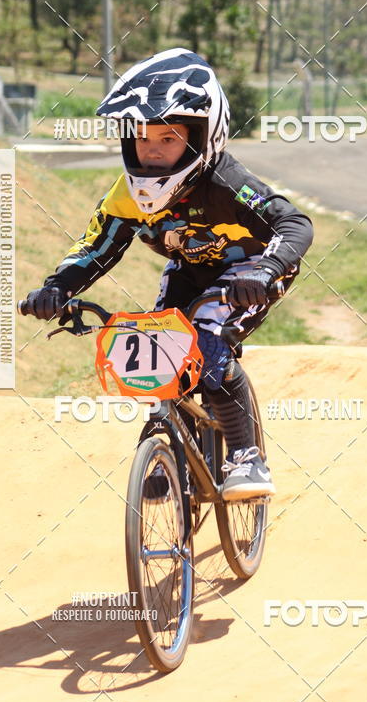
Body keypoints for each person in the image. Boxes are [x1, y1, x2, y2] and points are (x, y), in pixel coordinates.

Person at [22, 48, 313, 500]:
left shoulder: (228, 184)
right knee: (164, 350)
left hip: (250, 272)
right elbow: (97, 248)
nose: (152, 151)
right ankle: (170, 445)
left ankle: (246, 456)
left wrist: (268, 267)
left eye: (169, 139)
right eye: (142, 139)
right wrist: (57, 288)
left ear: (202, 137)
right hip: (190, 270)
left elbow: (294, 223)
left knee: (209, 346)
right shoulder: (128, 194)